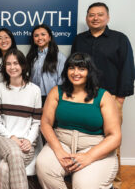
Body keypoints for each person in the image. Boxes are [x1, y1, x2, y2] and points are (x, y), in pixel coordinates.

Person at [71, 2, 134, 189]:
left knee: (112, 140)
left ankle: (115, 182)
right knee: (84, 137)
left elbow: (128, 68)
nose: (95, 18)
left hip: (111, 98)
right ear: (86, 18)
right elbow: (73, 68)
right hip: (82, 97)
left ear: (107, 17)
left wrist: (120, 98)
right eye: (91, 15)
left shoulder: (119, 39)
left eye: (99, 14)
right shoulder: (79, 39)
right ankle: (84, 178)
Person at [36, 52, 121, 189]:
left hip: (94, 147)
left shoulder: (104, 96)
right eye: (72, 68)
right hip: (62, 143)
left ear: (89, 71)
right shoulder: (56, 92)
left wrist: (89, 156)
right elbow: (45, 123)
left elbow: (115, 136)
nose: (76, 73)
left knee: (83, 184)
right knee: (43, 167)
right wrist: (58, 150)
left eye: (81, 68)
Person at [0, 48, 42, 189]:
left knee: (5, 168)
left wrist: (29, 140)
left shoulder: (35, 90)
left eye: (16, 63)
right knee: (13, 152)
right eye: (8, 64)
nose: (12, 67)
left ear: (23, 65)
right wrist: (11, 137)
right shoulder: (0, 88)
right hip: (2, 138)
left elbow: (37, 123)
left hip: (26, 142)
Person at [26, 24, 66, 105]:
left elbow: (62, 80)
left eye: (43, 34)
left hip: (52, 97)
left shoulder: (59, 57)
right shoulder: (31, 57)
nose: (40, 38)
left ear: (50, 37)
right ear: (33, 39)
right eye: (36, 35)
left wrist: (57, 98)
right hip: (33, 97)